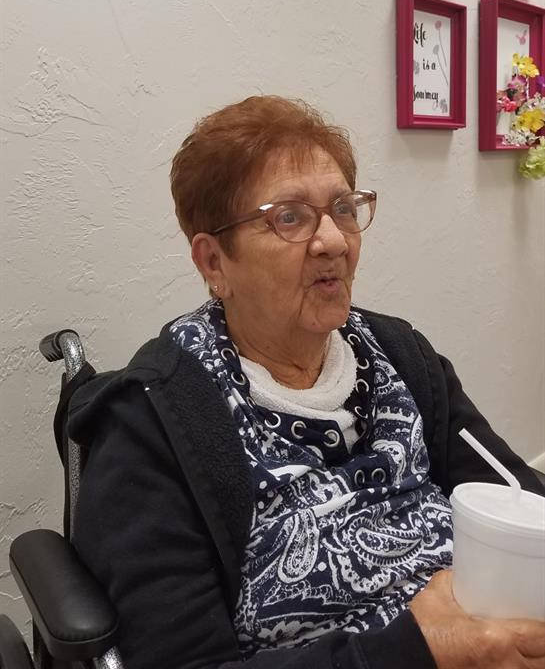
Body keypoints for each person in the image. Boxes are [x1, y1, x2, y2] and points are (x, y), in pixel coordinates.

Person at [69, 95, 545, 669]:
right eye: (288, 217)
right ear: (214, 262)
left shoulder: (402, 357)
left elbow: (516, 498)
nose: (335, 242)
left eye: (343, 208)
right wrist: (420, 650)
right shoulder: (155, 424)